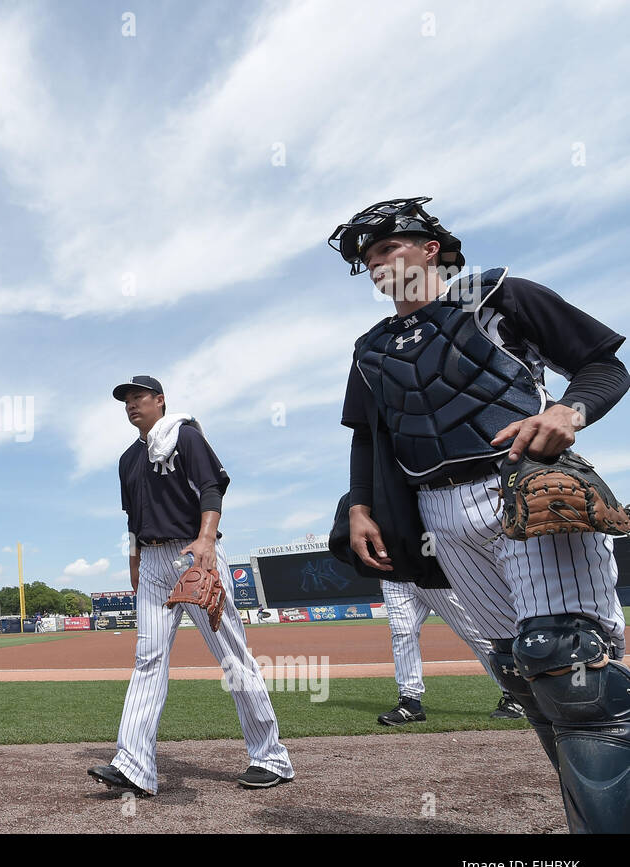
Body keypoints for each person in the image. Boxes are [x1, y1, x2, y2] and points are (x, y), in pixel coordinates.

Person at [331, 197, 630, 833]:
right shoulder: (371, 349)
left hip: (522, 490)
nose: (377, 265)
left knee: (571, 667)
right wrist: (359, 505)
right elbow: (367, 436)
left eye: (387, 249)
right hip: (439, 516)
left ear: (429, 247)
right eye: (368, 259)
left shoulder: (500, 295)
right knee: (521, 672)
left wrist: (568, 413)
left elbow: (604, 365)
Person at [88, 375, 295, 795]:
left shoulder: (185, 436)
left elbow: (211, 488)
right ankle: (134, 766)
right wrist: (134, 562)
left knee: (233, 657)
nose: (131, 404)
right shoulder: (128, 459)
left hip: (192, 553)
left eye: (138, 396)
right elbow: (132, 519)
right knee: (148, 658)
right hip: (151, 560)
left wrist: (205, 540)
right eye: (125, 400)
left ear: (159, 400)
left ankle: (271, 757)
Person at [376, 580, 522, 726]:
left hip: (431, 575)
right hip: (394, 578)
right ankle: (410, 703)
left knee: (474, 634)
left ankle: (518, 695)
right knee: (402, 634)